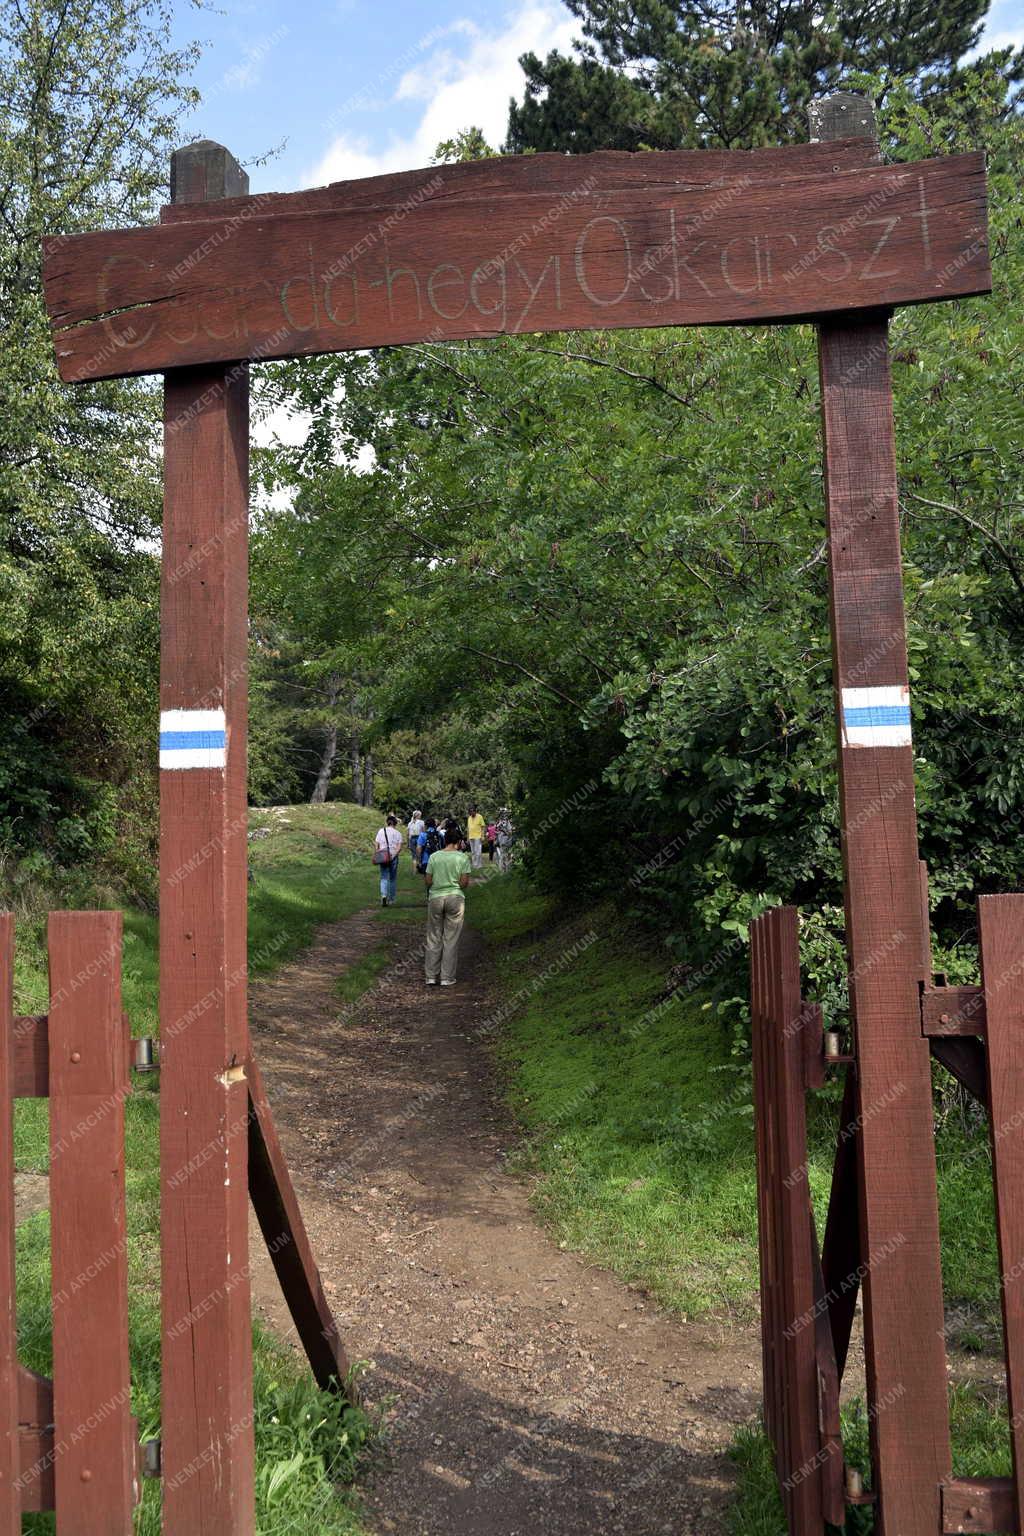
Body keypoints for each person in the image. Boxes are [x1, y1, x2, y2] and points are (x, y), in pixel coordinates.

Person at [424, 822, 471, 986]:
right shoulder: (462, 857)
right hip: (455, 898)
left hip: (436, 897)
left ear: (445, 841)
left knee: (434, 936)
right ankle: (446, 977)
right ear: (458, 843)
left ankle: (431, 975)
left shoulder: (434, 857)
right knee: (450, 939)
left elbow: (428, 880)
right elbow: (464, 883)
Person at [374, 815, 402, 906]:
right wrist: (394, 855)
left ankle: (383, 896)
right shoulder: (398, 833)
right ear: (395, 823)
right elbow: (399, 847)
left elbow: (376, 843)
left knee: (383, 877)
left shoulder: (381, 831)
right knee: (393, 878)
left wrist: (378, 852)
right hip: (393, 856)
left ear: (387, 822)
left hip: (383, 856)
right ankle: (392, 899)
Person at [466, 804, 486, 870]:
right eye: (470, 812)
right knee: (473, 852)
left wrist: (482, 836)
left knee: (478, 851)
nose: (471, 813)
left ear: (475, 811)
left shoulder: (480, 816)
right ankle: (474, 864)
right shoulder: (469, 818)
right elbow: (468, 828)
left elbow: (483, 827)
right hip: (471, 836)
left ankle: (479, 865)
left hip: (478, 836)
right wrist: (467, 838)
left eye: (472, 811)